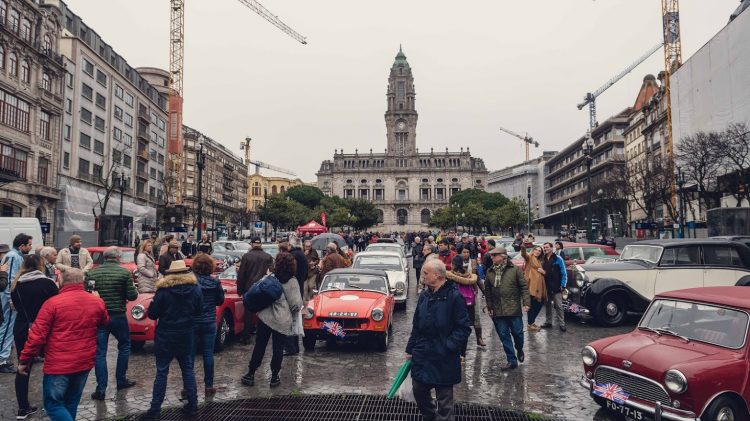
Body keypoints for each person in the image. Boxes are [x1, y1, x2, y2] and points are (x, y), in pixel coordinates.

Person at [17, 268, 109, 421]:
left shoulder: (52, 304)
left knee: (53, 405)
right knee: (71, 401)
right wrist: (100, 301)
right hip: (84, 361)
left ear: (60, 281)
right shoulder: (96, 301)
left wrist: (24, 360)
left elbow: (36, 336)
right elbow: (105, 322)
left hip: (59, 364)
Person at [406, 260, 470, 421]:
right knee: (418, 389)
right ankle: (429, 416)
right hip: (423, 352)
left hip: (444, 355)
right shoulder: (424, 296)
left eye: (426, 273)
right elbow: (416, 325)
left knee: (444, 400)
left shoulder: (454, 297)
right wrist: (410, 348)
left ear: (437, 275)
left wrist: (449, 345)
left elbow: (463, 328)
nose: (422, 276)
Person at [145, 260, 203, 419]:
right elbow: (199, 310)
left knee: (162, 372)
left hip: (166, 335)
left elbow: (153, 314)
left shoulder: (163, 291)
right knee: (188, 370)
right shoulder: (195, 289)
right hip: (186, 334)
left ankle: (154, 410)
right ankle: (193, 406)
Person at [242, 252, 302, 388]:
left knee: (259, 346)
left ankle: (250, 374)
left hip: (264, 318)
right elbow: (296, 305)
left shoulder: (270, 276)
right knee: (278, 349)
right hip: (281, 321)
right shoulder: (292, 282)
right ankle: (274, 377)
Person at [11, 254, 58, 419]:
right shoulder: (47, 283)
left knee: (23, 366)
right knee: (52, 365)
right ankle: (52, 404)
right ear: (40, 265)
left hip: (23, 327)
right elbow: (56, 305)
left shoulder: (16, 284)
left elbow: (16, 306)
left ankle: (22, 408)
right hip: (45, 327)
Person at [88, 246, 139, 400]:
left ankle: (101, 389)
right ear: (118, 257)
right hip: (118, 315)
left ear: (105, 257)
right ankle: (121, 380)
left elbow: (88, 293)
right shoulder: (125, 273)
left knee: (100, 352)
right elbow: (132, 296)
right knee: (124, 345)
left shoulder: (92, 273)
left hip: (99, 316)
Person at [485, 247, 529, 371]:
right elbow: (487, 290)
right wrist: (489, 306)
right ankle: (511, 360)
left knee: (518, 333)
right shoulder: (490, 271)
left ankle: (519, 349)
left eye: (494, 255)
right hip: (498, 309)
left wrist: (526, 302)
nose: (492, 257)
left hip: (513, 308)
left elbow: (524, 287)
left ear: (502, 256)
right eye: (491, 255)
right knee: (504, 335)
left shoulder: (514, 269)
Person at [191, 254, 224, 396]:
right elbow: (220, 301)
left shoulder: (191, 282)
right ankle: (209, 386)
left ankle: (188, 386)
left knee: (189, 354)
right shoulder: (215, 282)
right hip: (209, 320)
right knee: (208, 354)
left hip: (192, 321)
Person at [0, 233, 33, 373]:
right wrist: (11, 299)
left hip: (9, 297)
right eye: (29, 245)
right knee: (7, 328)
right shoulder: (13, 256)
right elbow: (9, 279)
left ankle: (3, 358)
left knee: (7, 328)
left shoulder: (15, 256)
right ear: (22, 246)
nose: (30, 247)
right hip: (8, 298)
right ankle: (2, 360)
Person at [446, 250, 484, 356]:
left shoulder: (450, 276)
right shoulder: (469, 276)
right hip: (468, 304)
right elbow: (478, 281)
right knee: (464, 328)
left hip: (455, 306)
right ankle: (462, 354)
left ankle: (457, 352)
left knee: (453, 328)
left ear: (454, 264)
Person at [236, 237, 274, 343]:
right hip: (263, 288)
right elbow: (271, 273)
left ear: (252, 244)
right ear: (260, 244)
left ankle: (246, 336)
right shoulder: (268, 257)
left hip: (249, 288)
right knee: (263, 311)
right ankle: (262, 335)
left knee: (248, 312)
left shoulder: (246, 256)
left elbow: (241, 274)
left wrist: (240, 290)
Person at [284, 235, 308, 356]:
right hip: (299, 289)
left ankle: (290, 347)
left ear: (291, 245)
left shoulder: (291, 256)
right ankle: (295, 346)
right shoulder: (303, 255)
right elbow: (306, 274)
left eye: (289, 244)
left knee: (289, 318)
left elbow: (287, 273)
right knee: (295, 317)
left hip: (292, 289)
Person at [541, 242, 568, 332]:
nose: (545, 249)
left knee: (559, 305)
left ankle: (562, 324)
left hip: (556, 286)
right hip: (546, 286)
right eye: (544, 247)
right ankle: (548, 322)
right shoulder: (543, 259)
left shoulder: (558, 258)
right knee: (547, 305)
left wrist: (563, 285)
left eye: (547, 247)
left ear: (551, 248)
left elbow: (564, 273)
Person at [520, 245, 547, 332]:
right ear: (533, 250)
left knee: (537, 304)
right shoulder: (529, 257)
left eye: (539, 251)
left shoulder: (538, 260)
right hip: (531, 285)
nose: (537, 251)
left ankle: (531, 322)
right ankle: (530, 324)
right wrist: (523, 246)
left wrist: (543, 272)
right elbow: (524, 254)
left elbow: (541, 272)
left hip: (538, 286)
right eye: (536, 250)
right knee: (534, 305)